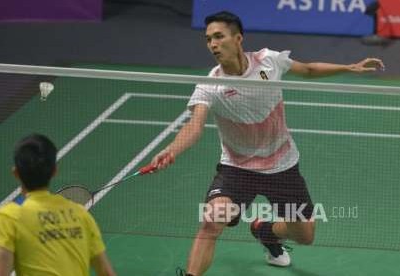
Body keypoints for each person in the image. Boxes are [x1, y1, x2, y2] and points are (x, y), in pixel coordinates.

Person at [150, 11, 385, 276]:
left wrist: (348, 67)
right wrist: (172, 150)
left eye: (219, 37)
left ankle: (265, 231)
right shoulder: (209, 85)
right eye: (208, 40)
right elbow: (194, 126)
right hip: (237, 169)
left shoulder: (269, 61)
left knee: (305, 236)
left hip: (282, 166)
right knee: (211, 221)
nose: (213, 44)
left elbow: (307, 69)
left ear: (238, 38)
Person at [0, 134, 116, 276]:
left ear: (16, 173)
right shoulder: (81, 214)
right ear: (55, 171)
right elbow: (107, 273)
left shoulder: (9, 217)